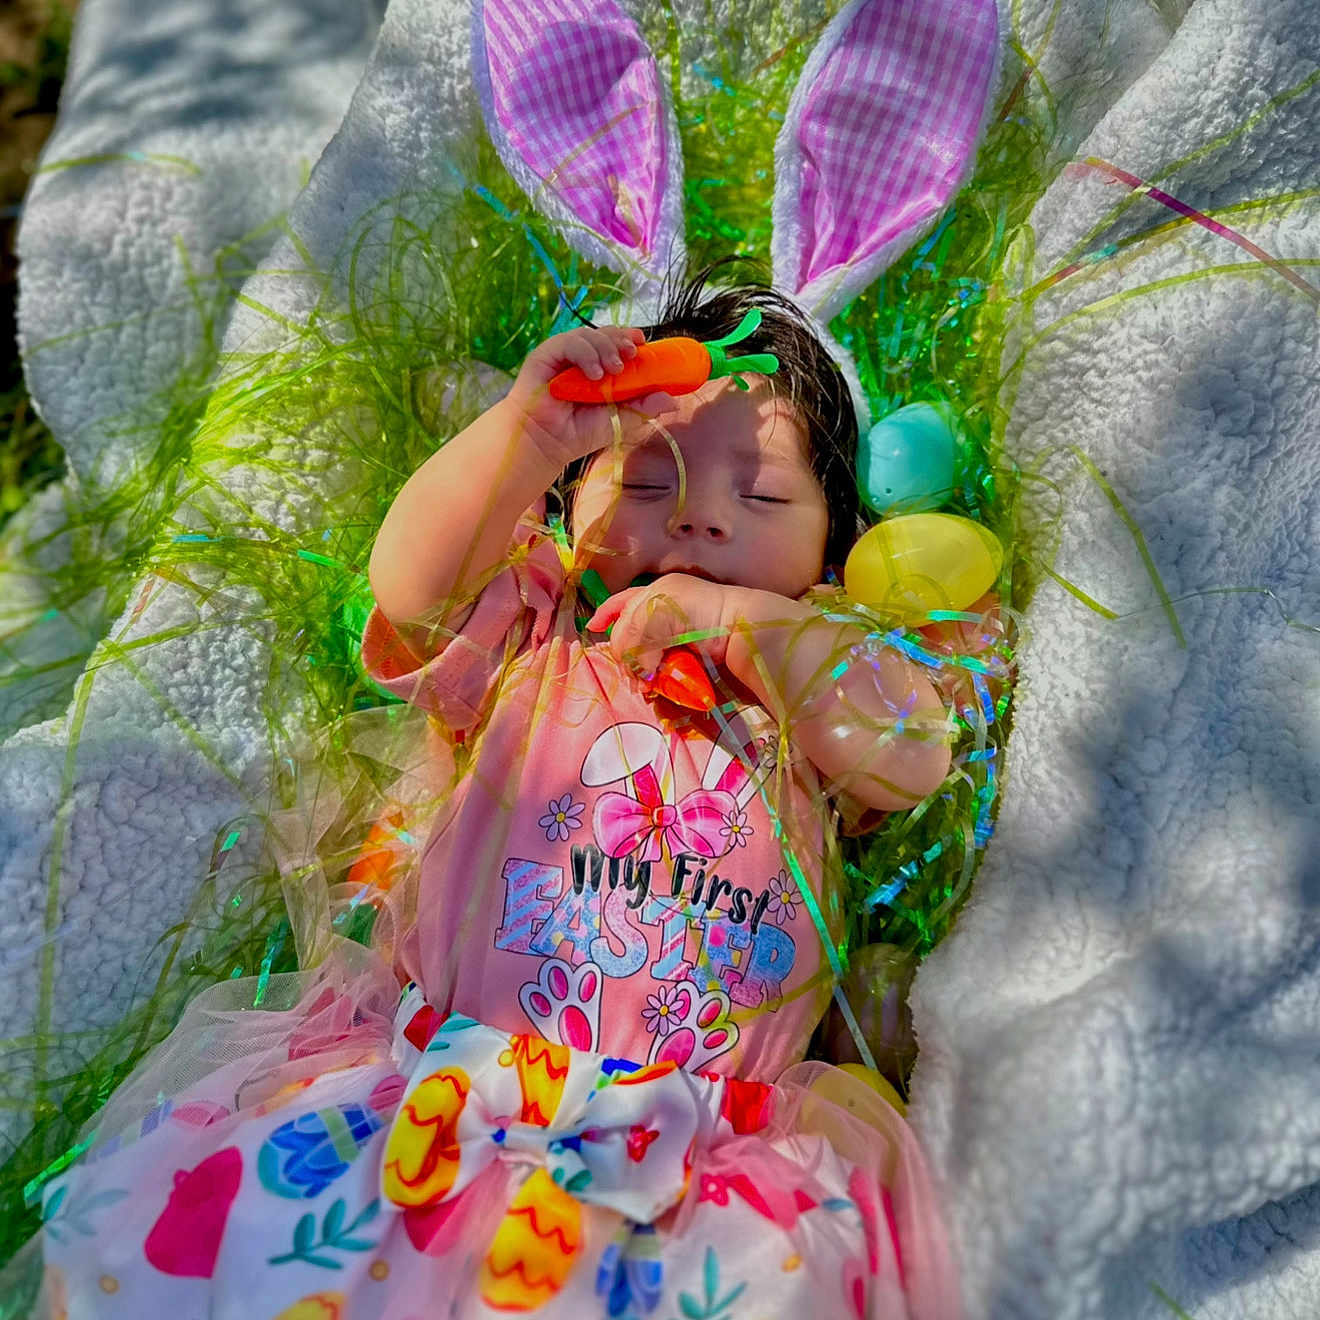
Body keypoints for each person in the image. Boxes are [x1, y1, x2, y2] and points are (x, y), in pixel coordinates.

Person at [30, 275, 965, 1320]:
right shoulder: (537, 626)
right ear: (573, 508)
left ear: (834, 547)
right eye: (648, 481)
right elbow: (413, 588)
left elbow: (911, 754)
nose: (701, 517)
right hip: (445, 1097)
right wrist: (526, 437)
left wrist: (744, 623)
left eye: (762, 496)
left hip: (701, 1150)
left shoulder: (809, 677)